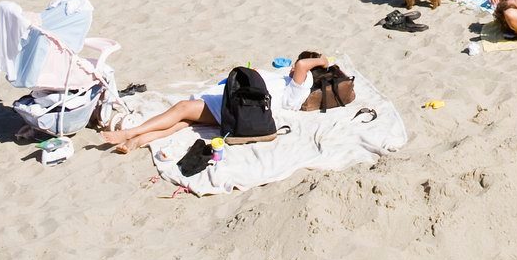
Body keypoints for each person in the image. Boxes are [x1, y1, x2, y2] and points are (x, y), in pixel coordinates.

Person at [99, 52, 354, 154]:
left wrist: (321, 60)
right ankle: (138, 141)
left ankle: (132, 131)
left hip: (235, 107)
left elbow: (300, 65)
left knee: (182, 109)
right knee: (186, 121)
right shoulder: (290, 85)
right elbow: (294, 66)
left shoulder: (298, 87)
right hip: (236, 107)